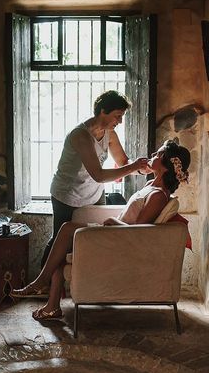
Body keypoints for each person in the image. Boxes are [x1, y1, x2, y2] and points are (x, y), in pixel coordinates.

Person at [12, 139, 191, 321]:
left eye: (159, 154)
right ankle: (51, 305)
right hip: (113, 233)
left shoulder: (159, 196)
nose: (153, 155)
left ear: (167, 164)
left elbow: (138, 232)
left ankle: (41, 283)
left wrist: (114, 221)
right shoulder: (150, 186)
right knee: (64, 242)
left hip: (118, 240)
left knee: (66, 230)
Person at [39, 90, 150, 273]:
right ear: (102, 111)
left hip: (95, 193)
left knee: (97, 236)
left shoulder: (110, 134)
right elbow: (98, 174)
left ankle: (88, 283)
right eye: (117, 116)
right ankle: (43, 284)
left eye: (121, 116)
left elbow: (123, 161)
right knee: (60, 239)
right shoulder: (80, 135)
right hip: (67, 194)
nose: (120, 121)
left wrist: (140, 169)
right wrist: (132, 168)